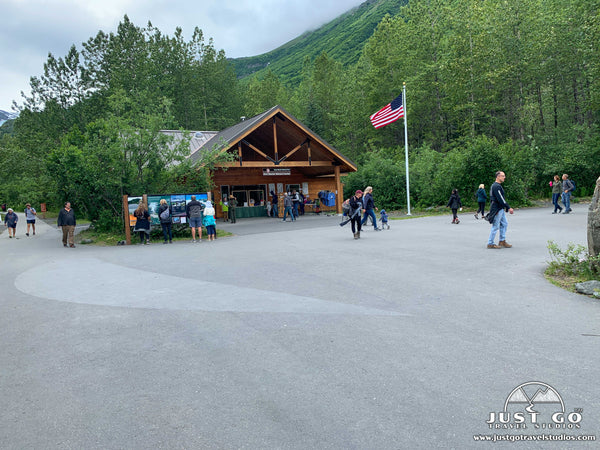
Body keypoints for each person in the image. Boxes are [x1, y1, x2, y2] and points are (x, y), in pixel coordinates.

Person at [487, 171, 514, 249]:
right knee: (495, 226)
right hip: (497, 209)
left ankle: (502, 241)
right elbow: (501, 199)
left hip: (500, 208)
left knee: (504, 224)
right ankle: (490, 243)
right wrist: (508, 207)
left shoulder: (497, 186)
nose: (504, 177)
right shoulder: (496, 186)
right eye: (503, 176)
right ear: (498, 177)